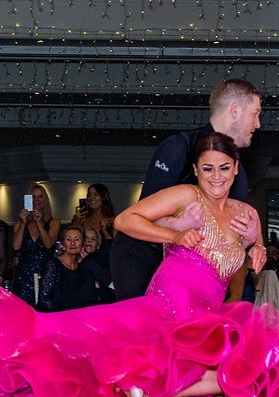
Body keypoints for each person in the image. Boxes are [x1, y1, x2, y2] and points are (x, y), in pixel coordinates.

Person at [0, 132, 279, 397]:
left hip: (209, 311)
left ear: (235, 169)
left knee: (257, 376)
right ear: (197, 171)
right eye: (208, 169)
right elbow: (125, 220)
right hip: (173, 299)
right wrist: (175, 234)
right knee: (69, 344)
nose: (216, 177)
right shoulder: (186, 196)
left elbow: (255, 247)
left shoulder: (246, 213)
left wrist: (257, 248)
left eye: (224, 168)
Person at [110, 78, 265, 301]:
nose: (258, 124)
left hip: (190, 271)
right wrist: (176, 228)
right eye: (256, 113)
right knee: (145, 329)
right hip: (142, 255)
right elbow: (137, 216)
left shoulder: (239, 176)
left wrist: (255, 243)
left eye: (224, 168)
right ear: (235, 111)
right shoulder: (178, 147)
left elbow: (227, 236)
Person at [36, 226, 108, 312]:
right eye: (68, 239)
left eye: (77, 239)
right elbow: (44, 300)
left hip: (80, 318)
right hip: (57, 317)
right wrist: (64, 316)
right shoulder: (54, 265)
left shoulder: (84, 268)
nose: (72, 243)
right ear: (63, 244)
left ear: (82, 244)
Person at [11, 183, 61, 306]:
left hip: (45, 274)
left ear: (45, 200)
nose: (36, 201)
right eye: (33, 198)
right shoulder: (20, 224)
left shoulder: (53, 222)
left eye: (40, 197)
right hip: (24, 276)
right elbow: (16, 246)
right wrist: (23, 223)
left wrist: (39, 223)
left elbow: (49, 244)